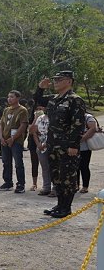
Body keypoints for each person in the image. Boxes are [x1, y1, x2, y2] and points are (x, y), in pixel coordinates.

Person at [35, 71, 86, 218]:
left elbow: (78, 125)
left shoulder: (75, 100)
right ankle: (59, 204)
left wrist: (74, 145)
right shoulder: (54, 99)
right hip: (53, 145)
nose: (55, 82)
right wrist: (40, 88)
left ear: (69, 81)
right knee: (56, 176)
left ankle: (66, 207)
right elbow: (38, 100)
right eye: (55, 79)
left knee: (67, 178)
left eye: (59, 79)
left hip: (67, 146)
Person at [0, 90, 28, 193]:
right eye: (8, 97)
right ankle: (8, 182)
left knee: (18, 163)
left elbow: (23, 126)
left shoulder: (22, 110)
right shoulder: (6, 110)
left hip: (16, 141)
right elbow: (1, 124)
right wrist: (1, 137)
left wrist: (13, 138)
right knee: (6, 162)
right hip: (5, 140)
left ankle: (20, 184)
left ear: (17, 98)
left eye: (12, 97)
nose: (9, 99)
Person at [31, 101, 53, 196]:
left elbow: (54, 133)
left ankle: (56, 188)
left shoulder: (55, 118)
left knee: (54, 167)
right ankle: (46, 187)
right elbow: (34, 131)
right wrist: (38, 144)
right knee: (45, 168)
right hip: (40, 146)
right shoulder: (40, 118)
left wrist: (45, 144)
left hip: (52, 145)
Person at [77, 113, 97, 193]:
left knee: (84, 166)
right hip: (73, 147)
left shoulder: (88, 117)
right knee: (74, 167)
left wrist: (83, 138)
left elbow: (93, 128)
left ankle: (85, 186)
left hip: (85, 147)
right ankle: (76, 184)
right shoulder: (71, 115)